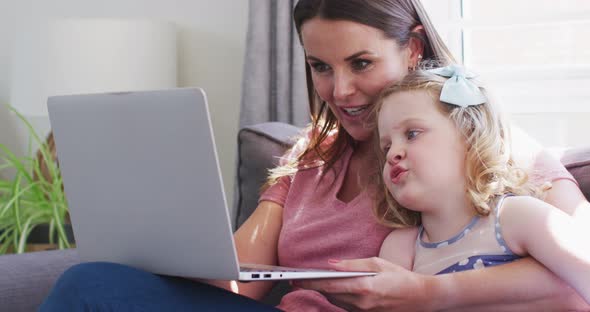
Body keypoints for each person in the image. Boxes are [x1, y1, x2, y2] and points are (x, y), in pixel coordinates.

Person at [41, 0, 590, 311]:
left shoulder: (482, 142)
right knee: (93, 281)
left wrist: (430, 294)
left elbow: (574, 272)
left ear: (414, 48)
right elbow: (236, 275)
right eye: (321, 67)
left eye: (361, 63)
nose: (341, 90)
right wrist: (146, 220)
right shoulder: (310, 156)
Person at [373, 64, 590, 305]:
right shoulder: (402, 248)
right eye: (386, 147)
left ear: (469, 135)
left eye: (412, 134)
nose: (393, 153)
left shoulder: (517, 215)